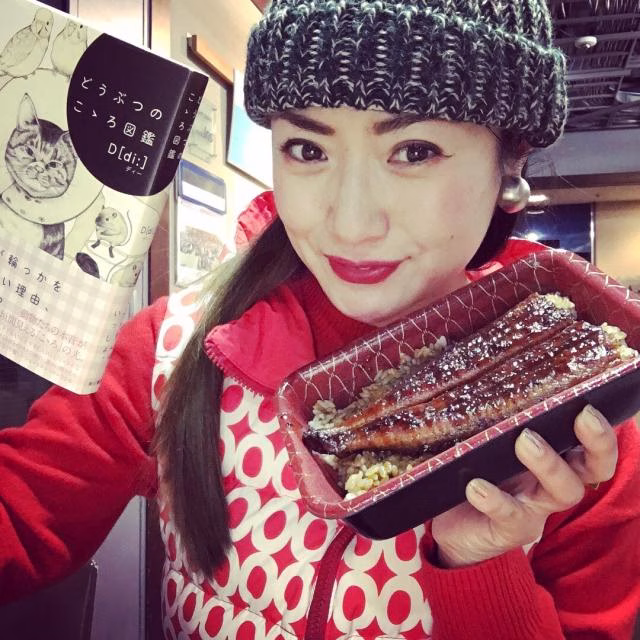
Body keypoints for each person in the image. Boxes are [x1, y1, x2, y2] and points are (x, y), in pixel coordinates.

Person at [1, 0, 639, 637]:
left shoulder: (585, 431)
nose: (351, 223)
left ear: (511, 160)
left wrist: (478, 564)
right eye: (307, 148)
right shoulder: (174, 349)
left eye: (414, 151)